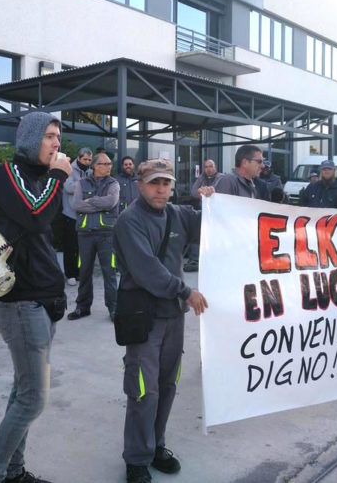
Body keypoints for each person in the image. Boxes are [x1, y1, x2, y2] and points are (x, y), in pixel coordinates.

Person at [0, 111, 72, 483]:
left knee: (23, 392)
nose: (56, 144)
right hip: (22, 303)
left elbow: (42, 225)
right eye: (49, 136)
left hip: (42, 300)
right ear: (31, 139)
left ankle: (13, 472)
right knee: (33, 398)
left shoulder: (38, 179)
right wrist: (59, 175)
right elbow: (35, 212)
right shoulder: (9, 174)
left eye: (58, 138)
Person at [113, 158, 212, 483]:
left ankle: (156, 446)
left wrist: (214, 202)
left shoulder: (177, 214)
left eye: (167, 183)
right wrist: (186, 291)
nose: (161, 189)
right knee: (144, 390)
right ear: (140, 184)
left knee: (167, 386)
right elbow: (148, 271)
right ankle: (137, 459)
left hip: (173, 318)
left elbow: (213, 223)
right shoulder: (130, 221)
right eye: (155, 182)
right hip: (144, 318)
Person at [68, 152, 119, 321]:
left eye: (110, 163)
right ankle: (82, 307)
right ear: (96, 166)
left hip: (107, 234)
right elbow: (76, 205)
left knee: (109, 273)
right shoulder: (81, 183)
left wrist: (90, 201)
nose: (109, 166)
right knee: (84, 272)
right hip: (85, 234)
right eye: (105, 164)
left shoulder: (114, 184)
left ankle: (113, 308)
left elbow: (111, 202)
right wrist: (100, 203)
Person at [184, 159, 225, 272]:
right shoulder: (202, 178)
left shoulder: (221, 178)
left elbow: (214, 193)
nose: (208, 169)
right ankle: (194, 260)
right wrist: (201, 178)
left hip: (217, 213)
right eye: (206, 167)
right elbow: (193, 192)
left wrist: (205, 191)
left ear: (215, 167)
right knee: (196, 233)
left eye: (211, 166)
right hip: (203, 212)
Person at [60, 147, 92, 287]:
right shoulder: (69, 169)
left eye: (90, 160)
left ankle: (79, 272)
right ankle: (70, 274)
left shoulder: (91, 172)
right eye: (85, 159)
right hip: (70, 214)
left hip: (85, 214)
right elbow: (68, 188)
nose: (87, 162)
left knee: (82, 247)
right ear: (78, 158)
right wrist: (84, 185)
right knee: (70, 247)